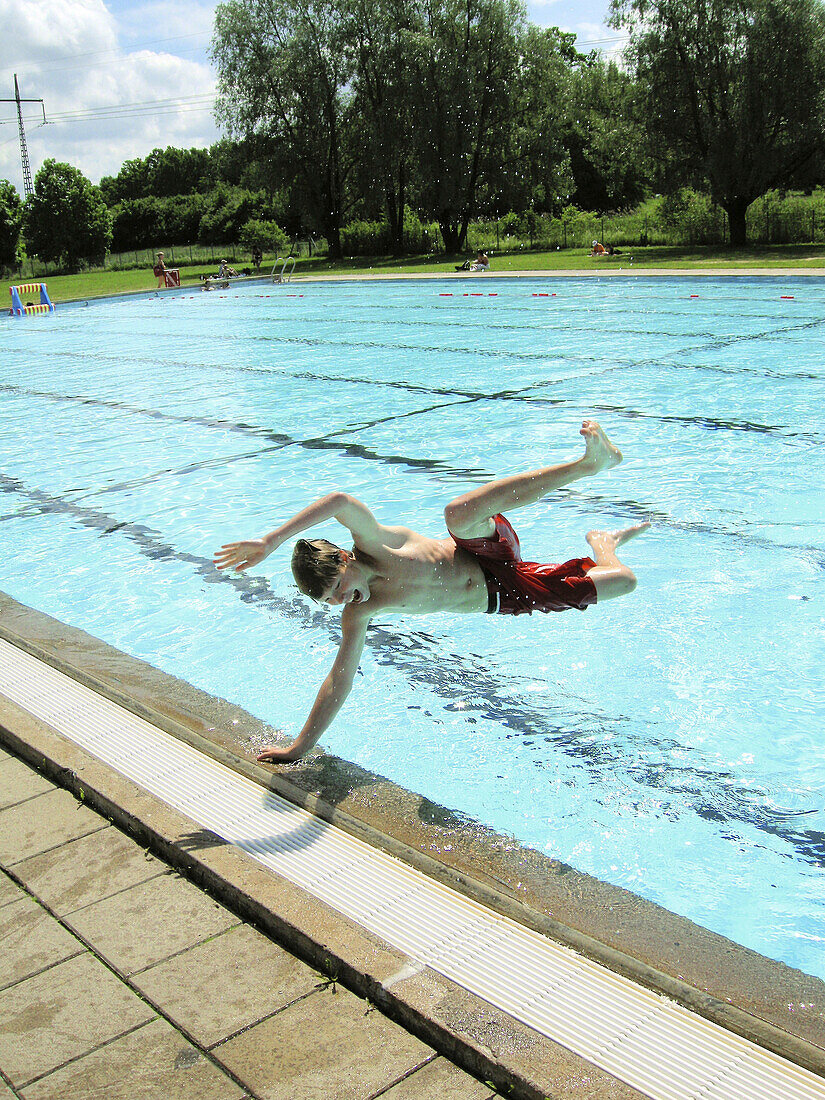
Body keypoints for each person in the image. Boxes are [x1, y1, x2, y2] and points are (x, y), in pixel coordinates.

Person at [214, 422, 648, 763]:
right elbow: (339, 680)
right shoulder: (359, 614)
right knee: (624, 582)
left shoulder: (377, 543)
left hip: (486, 551)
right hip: (507, 594)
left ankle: (587, 465)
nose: (341, 602)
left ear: (346, 562)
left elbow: (340, 500)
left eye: (339, 589)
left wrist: (270, 542)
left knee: (456, 514)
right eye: (330, 601)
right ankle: (603, 544)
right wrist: (300, 747)